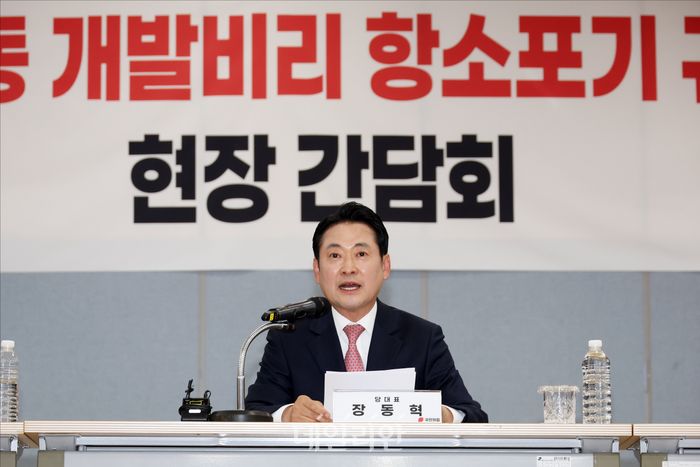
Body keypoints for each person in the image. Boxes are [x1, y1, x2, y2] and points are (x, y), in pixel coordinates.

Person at [245, 202, 487, 423]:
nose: (348, 268)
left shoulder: (422, 338)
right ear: (317, 270)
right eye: (335, 256)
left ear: (385, 266)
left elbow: (472, 416)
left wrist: (438, 414)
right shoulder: (289, 338)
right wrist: (288, 414)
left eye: (361, 254)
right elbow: (257, 410)